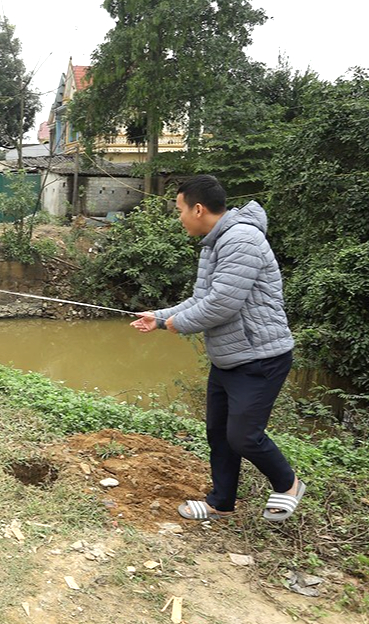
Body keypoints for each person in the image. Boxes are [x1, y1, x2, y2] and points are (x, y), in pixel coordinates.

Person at [130, 175, 303, 523]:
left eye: (179, 210)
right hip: (229, 356)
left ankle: (288, 484)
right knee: (219, 434)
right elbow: (202, 298)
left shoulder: (241, 239)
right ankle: (221, 502)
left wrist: (171, 324)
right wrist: (159, 316)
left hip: (260, 355)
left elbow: (222, 304)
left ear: (198, 208)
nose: (178, 217)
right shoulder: (215, 242)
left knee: (243, 436)